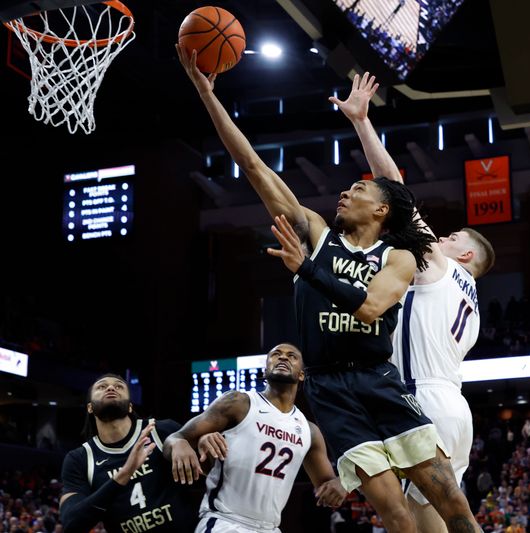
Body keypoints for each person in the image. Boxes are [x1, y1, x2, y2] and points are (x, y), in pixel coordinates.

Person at [176, 46, 482, 533]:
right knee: (395, 515)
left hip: (380, 379)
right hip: (331, 388)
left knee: (455, 508)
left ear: (381, 211)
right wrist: (207, 95)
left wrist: (308, 272)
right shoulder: (316, 235)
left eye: (359, 190)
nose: (346, 191)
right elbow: (253, 166)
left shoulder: (398, 256)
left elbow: (372, 308)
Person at [330, 71, 496, 533]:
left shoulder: (442, 267)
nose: (439, 236)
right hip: (454, 407)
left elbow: (394, 188)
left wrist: (362, 122)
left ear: (466, 255)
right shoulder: (472, 303)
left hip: (423, 399)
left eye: (451, 236)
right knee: (437, 524)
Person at [164, 343, 347, 532]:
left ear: (302, 374)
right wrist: (179, 443)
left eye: (292, 356)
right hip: (225, 522)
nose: (283, 357)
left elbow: (327, 484)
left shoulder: (309, 431)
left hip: (270, 528)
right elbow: (175, 439)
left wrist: (341, 484)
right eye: (276, 354)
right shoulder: (238, 403)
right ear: (265, 369)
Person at [59, 374, 199, 532]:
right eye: (102, 387)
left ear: (130, 406)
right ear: (90, 407)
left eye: (119, 386)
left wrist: (200, 439)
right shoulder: (80, 459)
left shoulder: (162, 430)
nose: (111, 388)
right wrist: (124, 473)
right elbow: (70, 523)